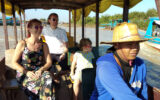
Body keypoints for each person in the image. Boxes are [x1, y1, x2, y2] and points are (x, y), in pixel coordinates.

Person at [90, 22, 148, 100]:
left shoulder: (140, 64)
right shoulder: (106, 66)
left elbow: (143, 94)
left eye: (137, 44)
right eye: (129, 44)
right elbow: (125, 97)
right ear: (116, 45)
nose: (135, 48)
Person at [12, 19, 54, 100]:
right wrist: (26, 72)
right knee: (42, 89)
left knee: (48, 77)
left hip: (39, 71)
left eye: (41, 27)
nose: (39, 29)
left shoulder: (44, 45)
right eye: (36, 27)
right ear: (29, 29)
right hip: (25, 73)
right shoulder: (22, 44)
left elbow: (49, 62)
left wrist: (41, 69)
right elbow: (14, 63)